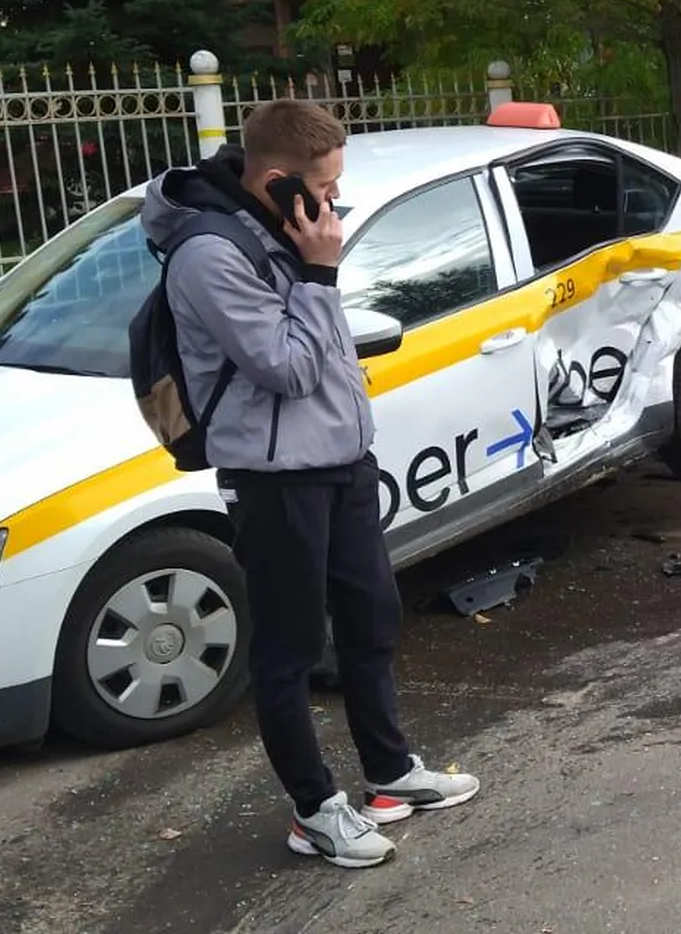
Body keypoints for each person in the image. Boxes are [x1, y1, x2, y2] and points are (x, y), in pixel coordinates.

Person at [140, 98, 479, 869]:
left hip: (340, 461)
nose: (333, 205)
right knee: (290, 646)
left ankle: (389, 775)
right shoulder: (210, 254)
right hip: (275, 476)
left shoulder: (284, 229)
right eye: (323, 189)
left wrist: (314, 270)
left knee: (370, 618)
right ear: (275, 180)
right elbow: (289, 368)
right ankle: (314, 809)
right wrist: (320, 273)